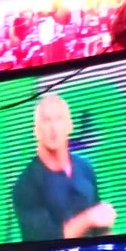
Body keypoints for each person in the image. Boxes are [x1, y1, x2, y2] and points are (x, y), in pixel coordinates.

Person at [11, 93, 117, 241]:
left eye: (59, 119)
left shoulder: (85, 168)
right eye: (46, 120)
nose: (53, 128)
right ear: (36, 130)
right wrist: (88, 218)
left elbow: (101, 228)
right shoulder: (25, 185)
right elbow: (44, 240)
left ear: (70, 126)